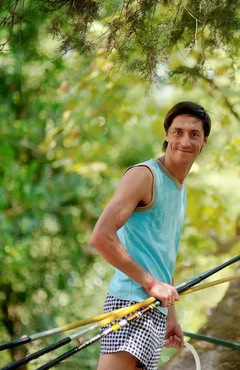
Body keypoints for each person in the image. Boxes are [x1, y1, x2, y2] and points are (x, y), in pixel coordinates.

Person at [90, 102, 211, 370]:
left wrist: (170, 315)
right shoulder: (144, 176)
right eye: (177, 132)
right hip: (131, 302)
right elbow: (101, 236)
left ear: (204, 141)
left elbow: (162, 258)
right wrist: (150, 284)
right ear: (166, 134)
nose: (184, 140)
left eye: (194, 134)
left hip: (154, 307)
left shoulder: (180, 187)